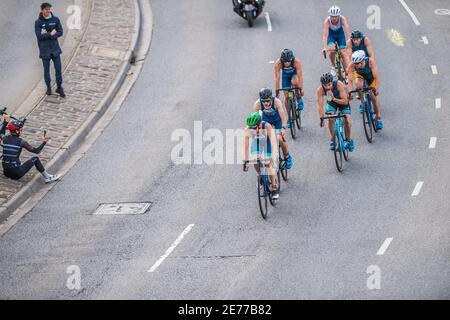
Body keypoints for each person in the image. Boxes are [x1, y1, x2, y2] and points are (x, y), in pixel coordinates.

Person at [1, 114, 59, 183]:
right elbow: (37, 151)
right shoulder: (21, 142)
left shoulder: (5, 138)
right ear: (17, 131)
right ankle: (47, 177)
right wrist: (44, 142)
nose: (21, 131)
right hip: (17, 173)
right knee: (35, 158)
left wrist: (6, 122)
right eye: (21, 130)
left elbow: (1, 133)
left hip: (6, 172)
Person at [253, 88, 292, 169]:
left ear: (271, 98)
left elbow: (283, 116)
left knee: (280, 138)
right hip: (266, 120)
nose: (265, 103)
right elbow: (255, 120)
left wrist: (283, 128)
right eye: (263, 101)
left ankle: (287, 156)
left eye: (267, 101)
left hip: (277, 119)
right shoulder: (257, 104)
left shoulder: (277, 102)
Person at [242, 112, 279, 199]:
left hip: (267, 143)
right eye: (251, 129)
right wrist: (245, 162)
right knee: (255, 159)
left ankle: (274, 186)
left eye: (255, 128)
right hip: (257, 143)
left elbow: (274, 143)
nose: (253, 131)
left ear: (259, 124)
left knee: (268, 163)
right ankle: (260, 175)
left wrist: (273, 157)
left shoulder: (267, 126)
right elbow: (245, 147)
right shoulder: (247, 130)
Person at [317, 72, 354, 152]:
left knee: (347, 120)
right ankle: (333, 138)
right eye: (325, 85)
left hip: (342, 101)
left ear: (332, 82)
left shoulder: (338, 84)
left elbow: (345, 101)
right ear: (322, 84)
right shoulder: (320, 90)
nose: (327, 87)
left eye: (329, 84)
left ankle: (349, 140)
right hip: (332, 103)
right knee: (330, 118)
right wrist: (321, 118)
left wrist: (334, 98)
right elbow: (320, 106)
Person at [35, 2, 65, 97]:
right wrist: (50, 34)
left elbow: (60, 32)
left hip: (55, 49)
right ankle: (48, 88)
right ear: (42, 10)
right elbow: (39, 36)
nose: (48, 11)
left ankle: (59, 87)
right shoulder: (38, 22)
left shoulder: (55, 19)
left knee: (58, 69)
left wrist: (53, 35)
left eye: (49, 9)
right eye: (46, 9)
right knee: (46, 70)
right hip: (45, 51)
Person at [347, 50, 383, 130]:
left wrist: (376, 88)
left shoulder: (370, 61)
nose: (356, 65)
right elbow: (349, 80)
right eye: (355, 63)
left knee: (374, 98)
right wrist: (350, 92)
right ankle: (363, 102)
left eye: (358, 63)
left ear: (363, 60)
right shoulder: (352, 65)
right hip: (360, 76)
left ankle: (378, 117)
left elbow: (376, 77)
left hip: (370, 77)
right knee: (358, 84)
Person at [347, 30, 376, 112]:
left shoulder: (365, 40)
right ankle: (362, 102)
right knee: (358, 85)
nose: (355, 41)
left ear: (361, 38)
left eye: (357, 39)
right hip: (356, 63)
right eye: (354, 39)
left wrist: (371, 63)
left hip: (366, 61)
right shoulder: (349, 42)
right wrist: (350, 68)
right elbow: (349, 56)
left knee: (372, 85)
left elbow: (371, 52)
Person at [274, 49, 304, 128]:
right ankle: (289, 118)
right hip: (285, 77)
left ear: (292, 59)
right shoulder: (278, 63)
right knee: (287, 97)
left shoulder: (296, 62)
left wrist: (300, 89)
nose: (287, 63)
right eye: (285, 62)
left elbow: (300, 76)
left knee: (295, 82)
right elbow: (277, 78)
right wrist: (277, 91)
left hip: (294, 75)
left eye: (288, 61)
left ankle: (299, 98)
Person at [322, 6, 351, 78]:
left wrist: (349, 42)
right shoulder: (327, 21)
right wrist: (325, 47)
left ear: (338, 16)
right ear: (330, 16)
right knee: (332, 50)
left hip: (340, 35)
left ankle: (347, 72)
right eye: (332, 17)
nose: (334, 18)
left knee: (343, 53)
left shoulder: (342, 19)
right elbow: (325, 35)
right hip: (331, 35)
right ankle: (333, 66)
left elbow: (347, 31)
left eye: (336, 16)